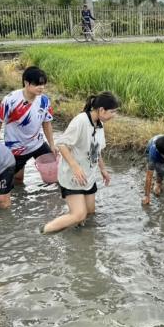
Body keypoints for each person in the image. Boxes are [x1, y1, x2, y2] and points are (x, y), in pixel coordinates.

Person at [42, 92, 120, 234]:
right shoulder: (81, 121)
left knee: (89, 213)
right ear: (101, 110)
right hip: (72, 176)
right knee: (79, 215)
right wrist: (75, 167)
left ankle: (81, 240)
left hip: (87, 176)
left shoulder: (99, 123)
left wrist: (103, 169)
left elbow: (96, 149)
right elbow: (62, 145)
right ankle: (44, 231)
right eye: (112, 112)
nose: (114, 115)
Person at [0, 66, 56, 185]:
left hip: (38, 144)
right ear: (26, 83)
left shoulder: (44, 101)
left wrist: (52, 144)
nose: (41, 87)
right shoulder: (10, 100)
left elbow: (46, 123)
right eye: (37, 84)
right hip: (17, 148)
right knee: (18, 181)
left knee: (54, 175)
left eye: (43, 84)